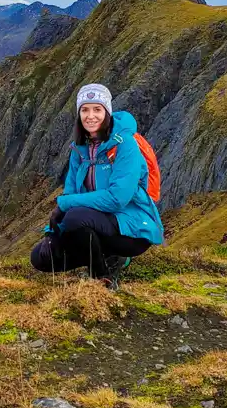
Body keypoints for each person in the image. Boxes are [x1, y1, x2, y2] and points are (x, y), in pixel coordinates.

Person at [30, 83, 164, 289]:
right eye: (85, 110)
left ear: (107, 112)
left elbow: (117, 198)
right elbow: (71, 192)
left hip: (131, 228)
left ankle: (102, 277)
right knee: (40, 257)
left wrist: (63, 205)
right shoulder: (80, 149)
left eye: (97, 109)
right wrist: (52, 232)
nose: (90, 116)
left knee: (75, 217)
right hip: (91, 221)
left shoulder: (125, 145)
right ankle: (109, 257)